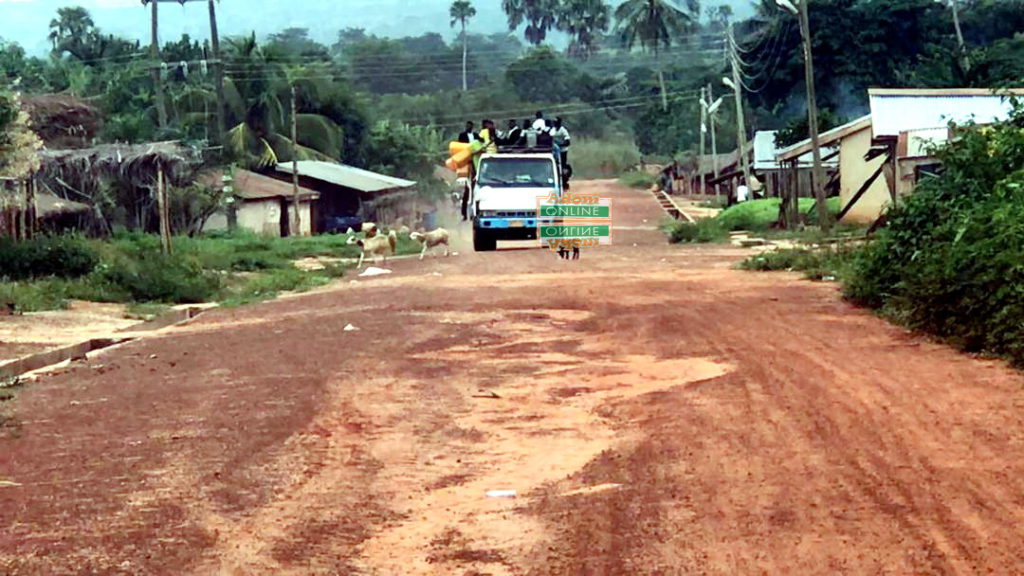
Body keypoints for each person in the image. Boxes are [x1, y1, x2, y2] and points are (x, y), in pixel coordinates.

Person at [551, 117, 571, 186]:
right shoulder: (552, 130)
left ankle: (564, 179)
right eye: (554, 122)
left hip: (562, 151)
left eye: (556, 122)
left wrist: (561, 144)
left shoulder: (563, 130)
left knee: (562, 165)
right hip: (554, 151)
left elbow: (568, 141)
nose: (555, 123)